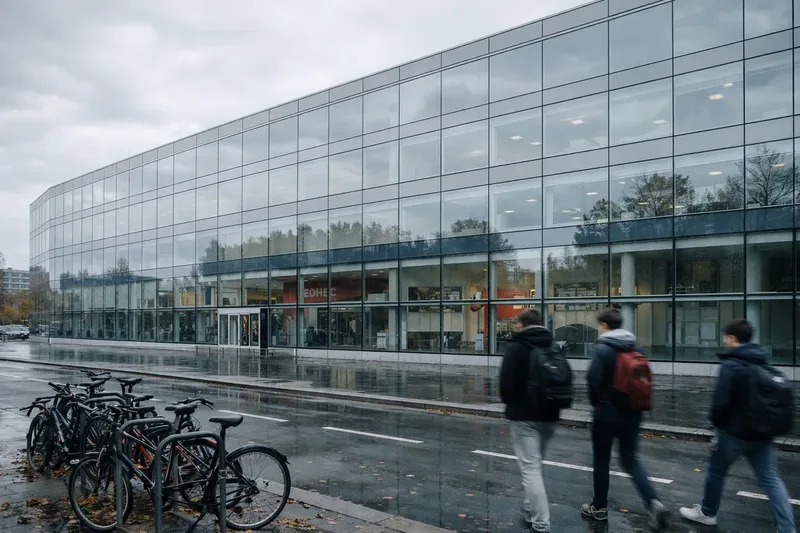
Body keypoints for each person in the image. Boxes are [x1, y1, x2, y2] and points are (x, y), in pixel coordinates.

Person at [680, 319, 796, 533]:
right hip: (762, 434)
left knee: (716, 472)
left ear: (733, 339)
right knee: (771, 479)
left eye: (726, 337)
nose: (725, 340)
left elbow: (720, 402)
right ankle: (788, 528)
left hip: (734, 433)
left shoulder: (731, 364)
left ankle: (707, 513)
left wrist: (716, 426)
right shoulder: (761, 361)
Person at [582, 307, 669, 530]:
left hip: (606, 413)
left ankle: (599, 507)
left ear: (604, 325)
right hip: (633, 412)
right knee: (630, 458)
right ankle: (653, 502)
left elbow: (593, 380)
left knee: (601, 458)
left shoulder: (602, 349)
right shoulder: (634, 346)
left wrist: (598, 404)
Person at [499, 309, 559, 533]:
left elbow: (506, 384)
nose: (515, 328)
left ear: (521, 325)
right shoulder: (550, 343)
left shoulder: (516, 346)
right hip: (550, 414)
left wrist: (511, 403)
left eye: (517, 325)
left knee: (530, 468)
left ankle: (541, 524)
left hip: (524, 415)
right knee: (536, 464)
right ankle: (528, 509)